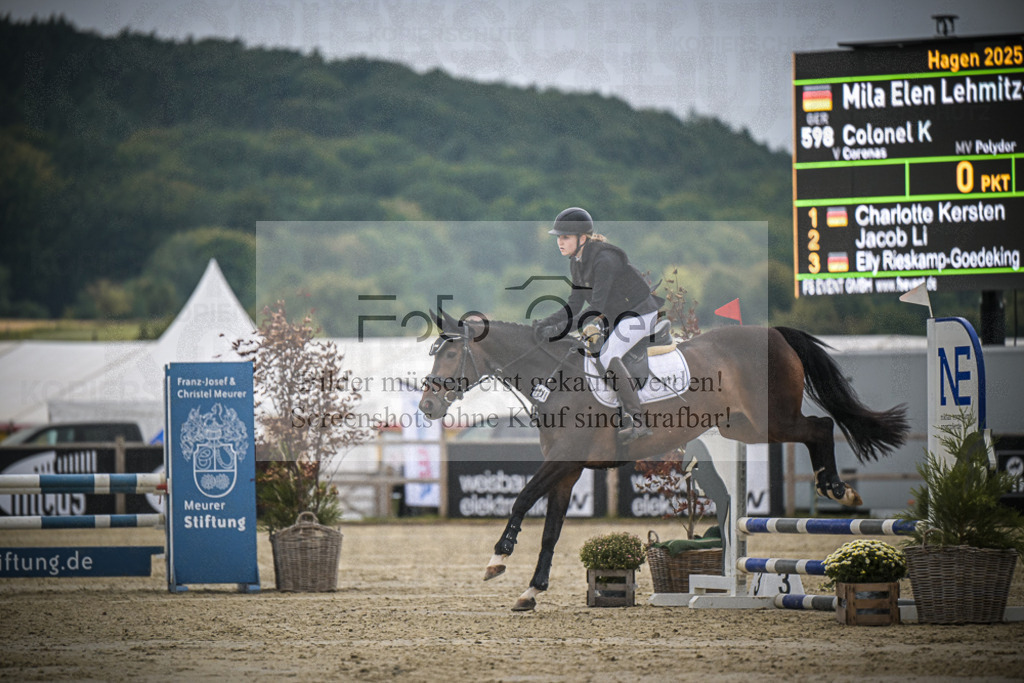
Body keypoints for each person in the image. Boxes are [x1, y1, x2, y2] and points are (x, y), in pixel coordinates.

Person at [533, 207, 665, 444]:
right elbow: (574, 306)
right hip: (618, 315)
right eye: (559, 238)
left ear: (582, 238)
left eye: (565, 237)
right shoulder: (577, 262)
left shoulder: (605, 260)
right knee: (589, 354)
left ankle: (638, 422)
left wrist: (560, 330)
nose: (560, 242)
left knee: (606, 355)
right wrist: (546, 323)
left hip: (640, 313)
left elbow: (595, 309)